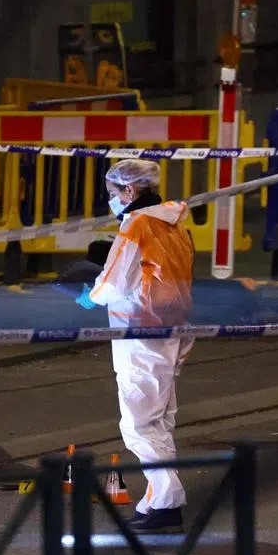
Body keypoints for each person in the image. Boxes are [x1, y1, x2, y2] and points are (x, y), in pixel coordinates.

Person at [76, 159, 194, 534]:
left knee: (138, 424)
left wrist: (90, 297)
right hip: (172, 328)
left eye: (113, 193)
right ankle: (155, 502)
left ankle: (167, 502)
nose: (111, 200)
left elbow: (115, 282)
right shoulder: (173, 222)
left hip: (141, 332)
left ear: (129, 190)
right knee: (158, 421)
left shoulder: (137, 224)